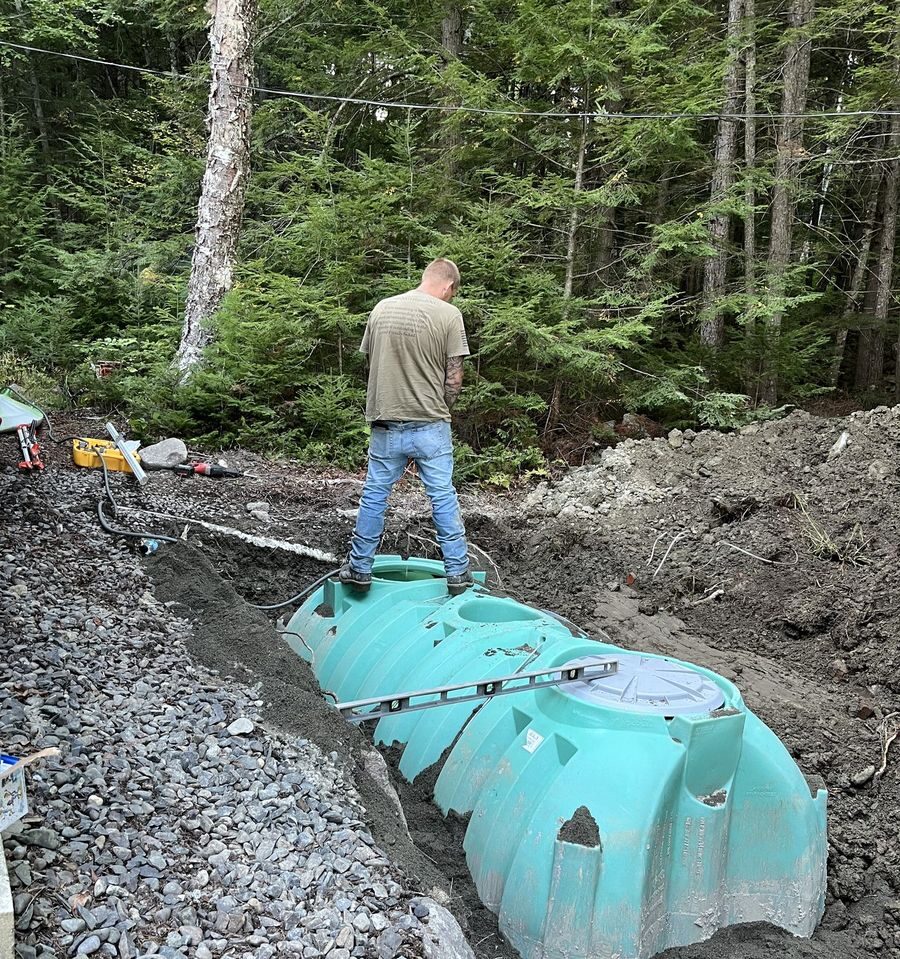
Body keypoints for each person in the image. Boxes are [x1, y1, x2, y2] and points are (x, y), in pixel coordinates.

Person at [339, 258, 474, 596]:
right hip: (430, 424)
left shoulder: (382, 309)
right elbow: (454, 377)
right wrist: (443, 407)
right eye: (452, 293)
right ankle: (457, 572)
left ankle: (359, 569)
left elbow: (373, 362)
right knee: (442, 496)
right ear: (448, 286)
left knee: (375, 495)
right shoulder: (449, 315)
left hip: (386, 422)